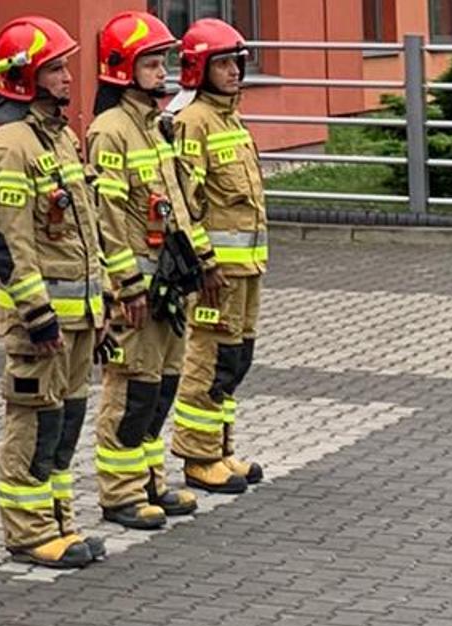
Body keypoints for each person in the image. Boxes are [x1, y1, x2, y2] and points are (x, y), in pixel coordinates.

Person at [0, 16, 102, 569]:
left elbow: (84, 230)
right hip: (42, 321)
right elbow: (9, 240)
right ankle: (29, 531)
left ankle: (59, 519)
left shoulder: (60, 138)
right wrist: (37, 314)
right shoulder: (12, 145)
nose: (67, 78)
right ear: (25, 76)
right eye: (54, 69)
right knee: (34, 422)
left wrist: (99, 302)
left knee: (65, 420)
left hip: (78, 316)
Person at [87, 11, 207, 536]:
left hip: (167, 285)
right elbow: (108, 217)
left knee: (162, 387)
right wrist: (124, 286)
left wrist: (196, 264)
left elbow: (177, 204)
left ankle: (150, 481)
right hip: (136, 289)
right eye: (152, 64)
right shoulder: (110, 132)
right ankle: (120, 493)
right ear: (122, 68)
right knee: (131, 392)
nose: (163, 72)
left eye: (163, 62)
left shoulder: (156, 128)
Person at [169, 17, 268, 494]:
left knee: (234, 360)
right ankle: (198, 456)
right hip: (216, 275)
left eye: (237, 63)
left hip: (246, 270)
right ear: (199, 68)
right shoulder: (193, 122)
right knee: (208, 362)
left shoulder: (230, 118)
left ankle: (222, 448)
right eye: (223, 63)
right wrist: (204, 263)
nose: (233, 72)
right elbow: (186, 205)